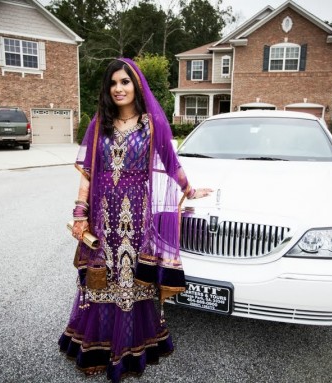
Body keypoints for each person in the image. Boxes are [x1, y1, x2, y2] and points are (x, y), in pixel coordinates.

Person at [58, 58, 212, 382]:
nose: (118, 88)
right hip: (102, 214)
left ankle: (130, 347)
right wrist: (79, 214)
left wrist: (190, 189)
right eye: (113, 83)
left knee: (129, 276)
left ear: (136, 85)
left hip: (134, 215)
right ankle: (99, 346)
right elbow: (88, 174)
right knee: (102, 275)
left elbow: (171, 164)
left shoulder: (151, 123)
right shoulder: (100, 123)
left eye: (124, 82)